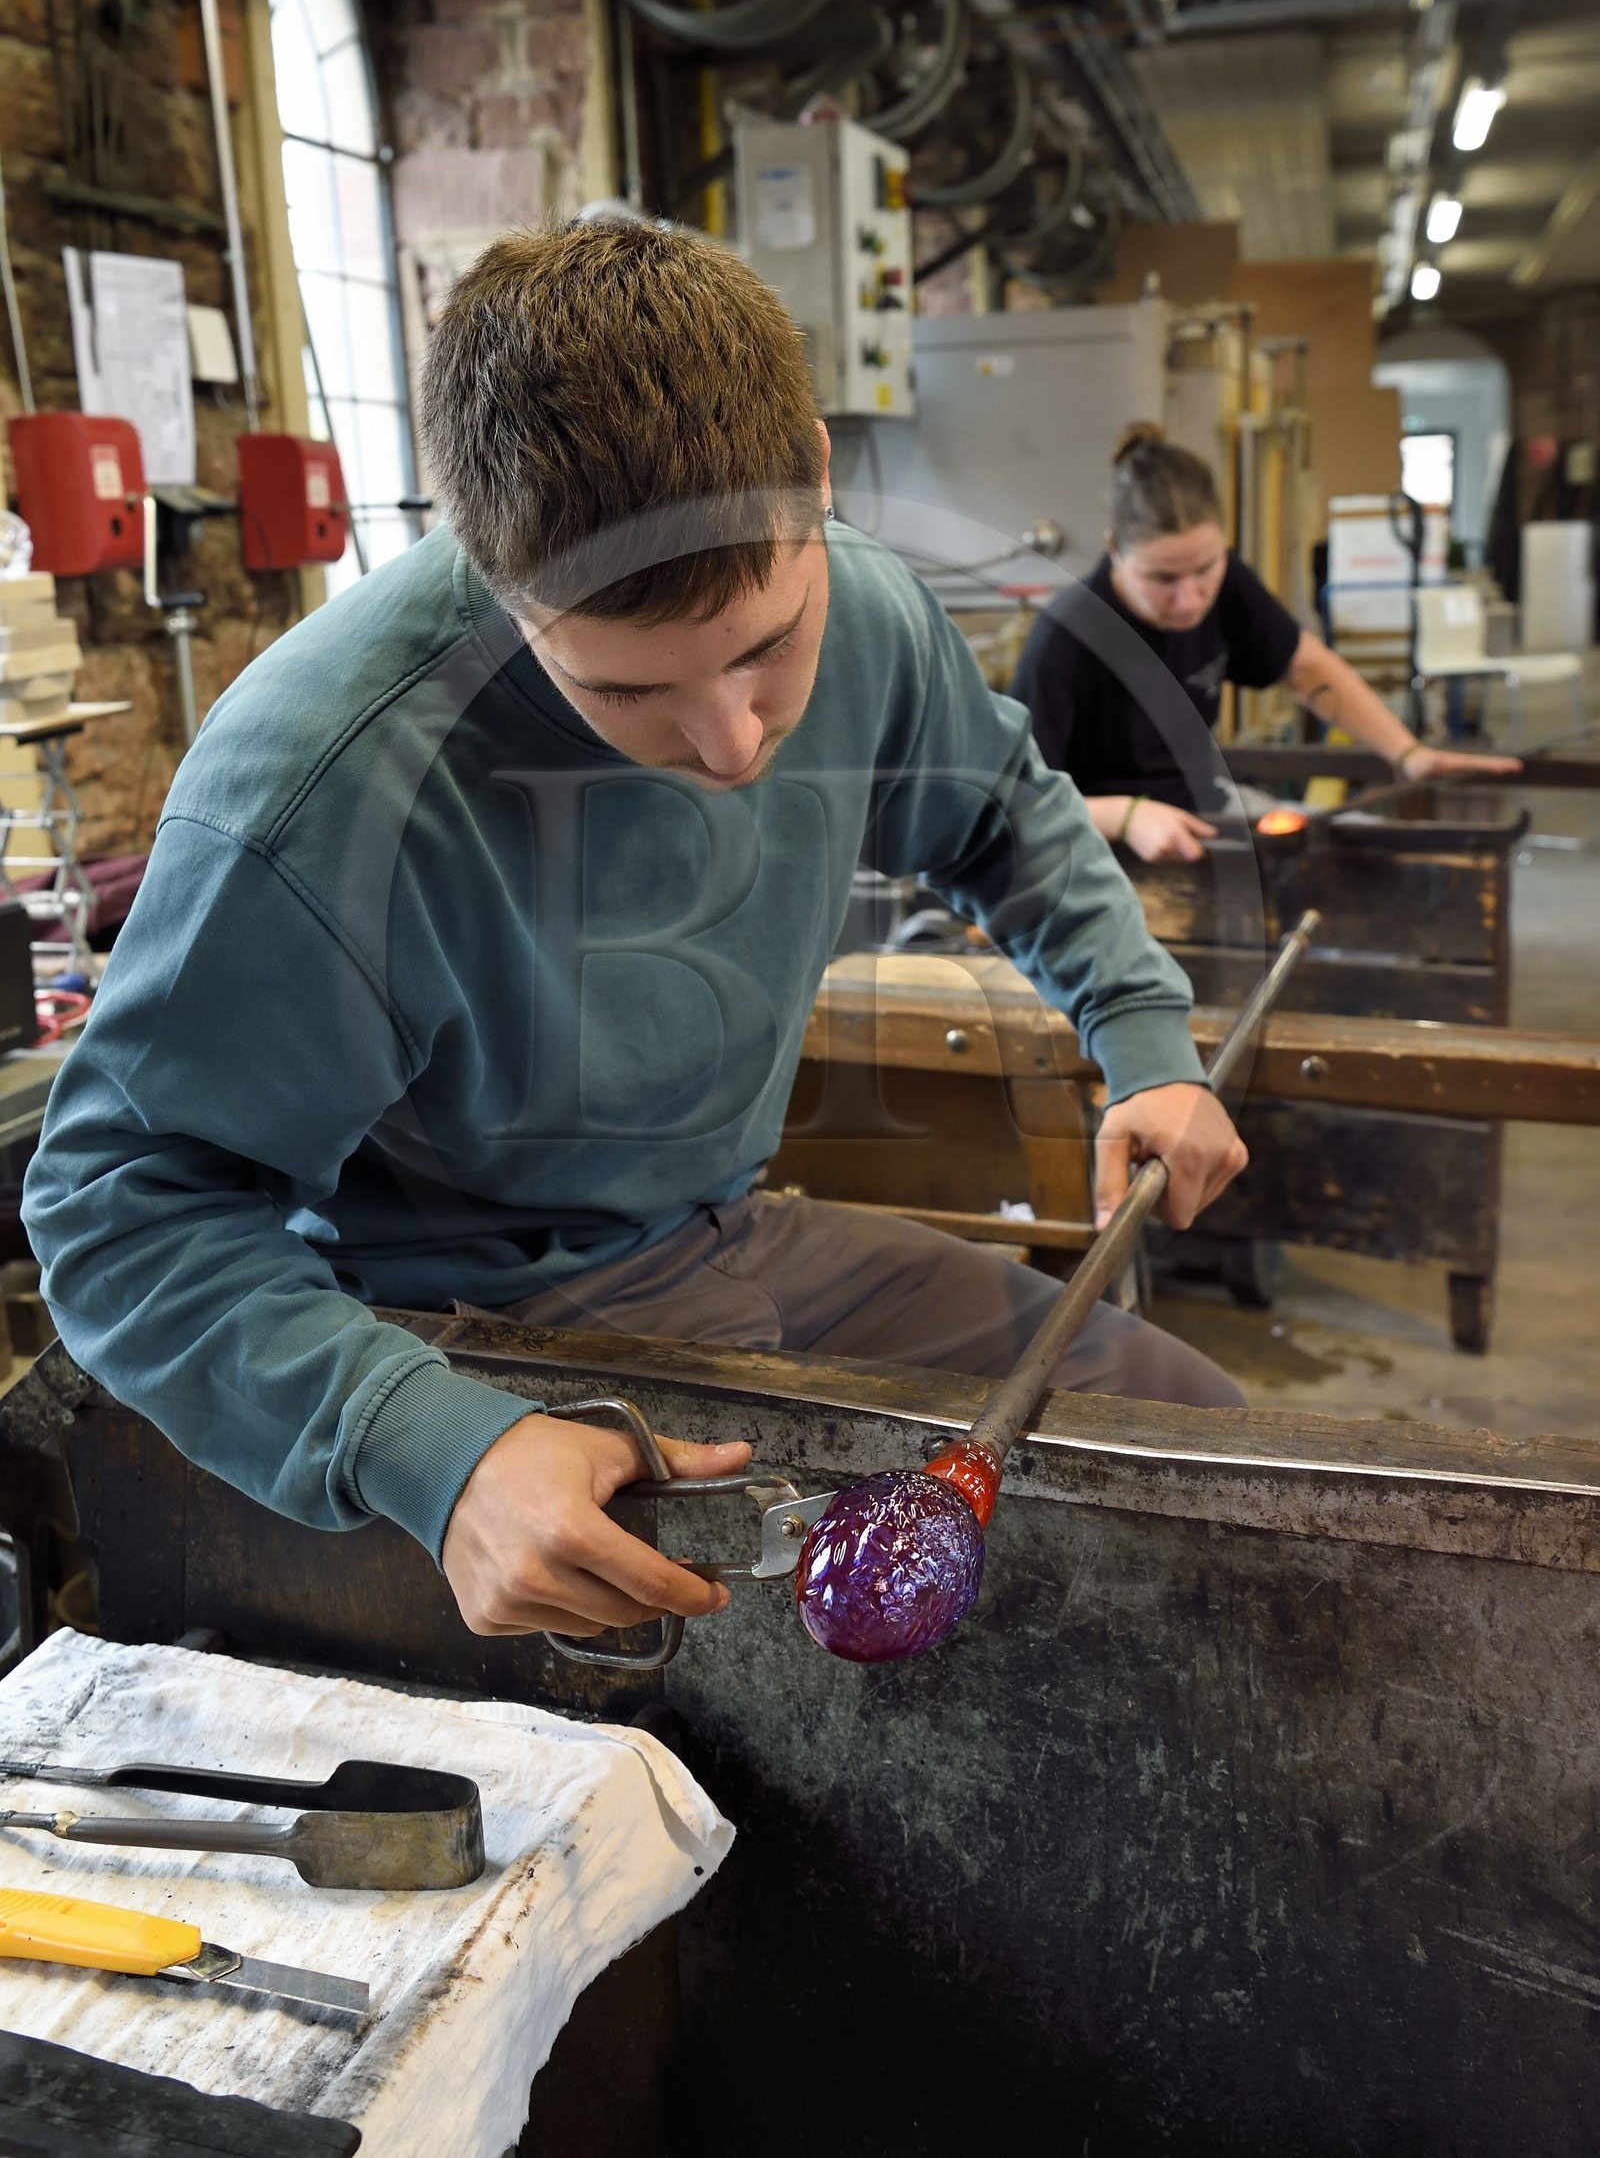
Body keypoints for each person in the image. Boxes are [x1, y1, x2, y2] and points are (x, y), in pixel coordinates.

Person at [25, 223, 1250, 1652]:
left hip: (717, 1228)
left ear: (814, 467)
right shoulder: (319, 797)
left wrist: (1144, 1039)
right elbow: (123, 1214)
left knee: (1199, 1453)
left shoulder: (865, 610)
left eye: (765, 647)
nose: (733, 741)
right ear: (495, 580)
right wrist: (427, 1441)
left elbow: (1004, 817)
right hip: (457, 1319)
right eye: (629, 692)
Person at [1012, 425, 1520, 864]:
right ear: (1115, 550)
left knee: (1374, 854)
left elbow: (1304, 668)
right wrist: (1125, 816)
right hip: (1095, 845)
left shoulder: (1229, 585)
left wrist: (1407, 752)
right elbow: (1017, 803)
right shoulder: (1067, 640)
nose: (1190, 599)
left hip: (1206, 809)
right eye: (1162, 578)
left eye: (1205, 568)